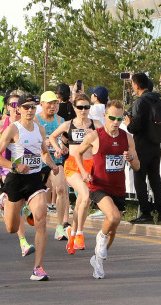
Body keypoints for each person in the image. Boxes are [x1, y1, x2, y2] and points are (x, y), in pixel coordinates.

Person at [0, 94, 59, 281]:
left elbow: (44, 153)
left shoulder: (40, 129)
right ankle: (5, 201)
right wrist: (14, 165)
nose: (30, 110)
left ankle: (38, 267)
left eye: (32, 107)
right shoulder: (13, 129)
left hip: (35, 180)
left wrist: (52, 165)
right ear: (19, 109)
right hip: (16, 180)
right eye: (26, 107)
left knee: (41, 218)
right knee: (11, 228)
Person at [75, 100, 139, 278]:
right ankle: (100, 238)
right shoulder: (95, 136)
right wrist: (83, 171)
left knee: (113, 228)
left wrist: (131, 158)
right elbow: (78, 153)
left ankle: (97, 260)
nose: (116, 122)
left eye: (119, 118)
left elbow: (137, 166)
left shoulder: (127, 138)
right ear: (105, 117)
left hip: (118, 187)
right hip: (99, 185)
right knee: (113, 216)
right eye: (112, 118)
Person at [50, 93, 102, 254]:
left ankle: (72, 233)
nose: (83, 110)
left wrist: (93, 137)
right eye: (80, 107)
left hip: (90, 165)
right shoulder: (68, 125)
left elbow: (102, 144)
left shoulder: (96, 124)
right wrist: (59, 149)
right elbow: (52, 137)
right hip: (73, 165)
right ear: (74, 108)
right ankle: (80, 233)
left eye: (87, 107)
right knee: (86, 195)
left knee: (81, 201)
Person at [0, 94, 35, 256]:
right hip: (8, 167)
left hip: (27, 167)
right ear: (7, 107)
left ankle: (5, 200)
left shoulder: (30, 124)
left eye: (18, 104)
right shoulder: (3, 124)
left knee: (24, 201)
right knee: (19, 203)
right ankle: (23, 242)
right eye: (12, 104)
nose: (15, 107)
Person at [126, 73, 161, 224]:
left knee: (139, 178)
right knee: (155, 179)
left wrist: (128, 123)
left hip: (141, 146)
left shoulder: (139, 102)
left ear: (136, 85)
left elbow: (136, 127)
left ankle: (146, 213)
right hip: (156, 145)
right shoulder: (157, 100)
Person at [35, 91, 70, 241]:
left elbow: (64, 140)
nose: (53, 106)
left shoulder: (60, 119)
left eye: (55, 103)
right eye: (49, 103)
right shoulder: (35, 120)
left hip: (56, 160)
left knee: (61, 188)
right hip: (38, 161)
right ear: (42, 104)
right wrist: (46, 142)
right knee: (36, 196)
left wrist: (63, 146)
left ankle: (60, 227)